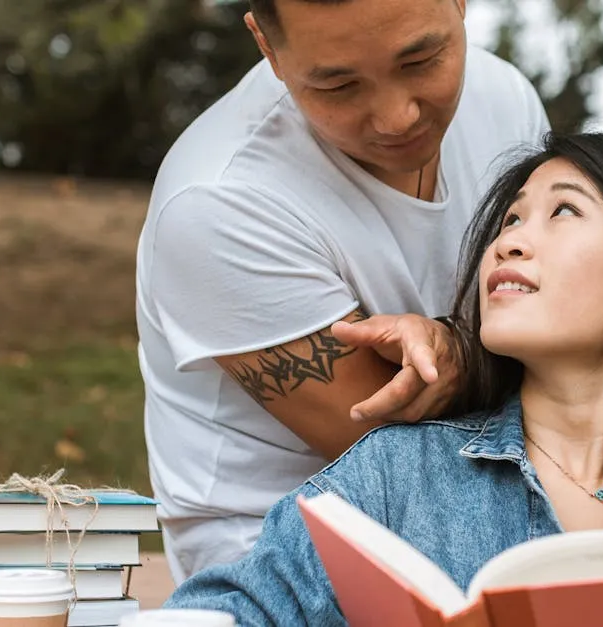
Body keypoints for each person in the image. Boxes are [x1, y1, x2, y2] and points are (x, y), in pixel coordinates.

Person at [161, 132, 603, 626]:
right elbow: (222, 615)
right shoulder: (395, 477)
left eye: (564, 210)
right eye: (510, 218)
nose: (511, 239)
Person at [133, 0, 550, 582]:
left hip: (518, 505)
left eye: (422, 60)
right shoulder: (218, 201)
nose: (397, 117)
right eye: (339, 85)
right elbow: (413, 466)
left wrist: (461, 354)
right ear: (267, 46)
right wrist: (507, 360)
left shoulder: (504, 99)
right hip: (285, 562)